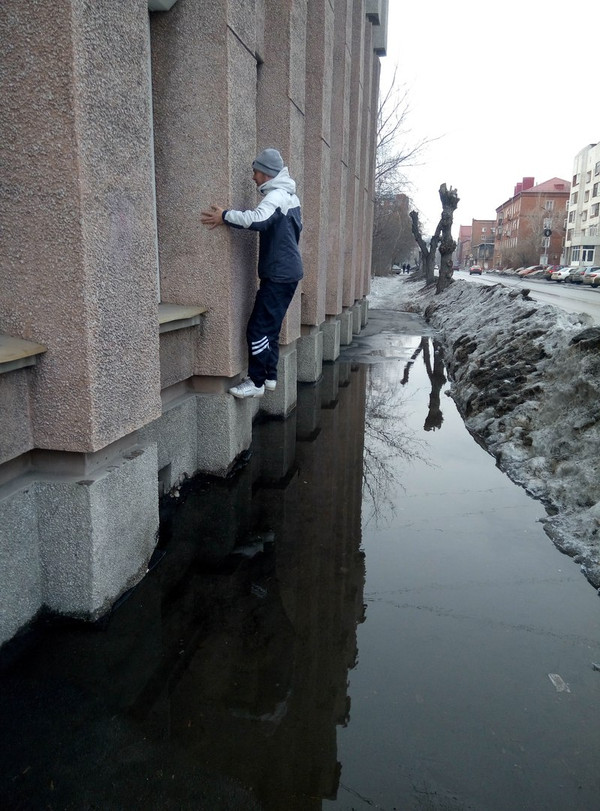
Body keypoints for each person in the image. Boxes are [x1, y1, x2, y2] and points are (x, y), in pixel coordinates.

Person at [200, 148, 303, 399]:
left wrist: (224, 216)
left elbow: (257, 220)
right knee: (272, 327)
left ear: (266, 173)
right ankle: (269, 376)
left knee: (257, 329)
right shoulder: (291, 197)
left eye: (255, 171)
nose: (253, 177)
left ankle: (256, 382)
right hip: (288, 272)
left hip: (278, 275)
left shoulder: (276, 197)